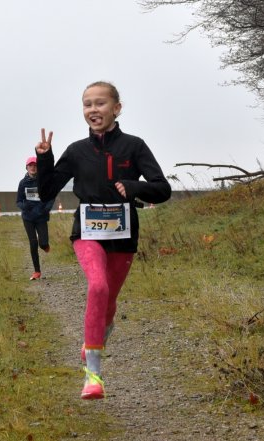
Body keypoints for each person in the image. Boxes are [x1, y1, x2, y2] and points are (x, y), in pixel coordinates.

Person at [35, 81, 171, 399]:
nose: (93, 110)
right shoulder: (76, 152)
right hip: (87, 232)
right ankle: (93, 376)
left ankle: (93, 340)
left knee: (108, 305)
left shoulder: (134, 146)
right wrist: (45, 160)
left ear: (116, 108)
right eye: (87, 104)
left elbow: (162, 188)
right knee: (97, 287)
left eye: (99, 103)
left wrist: (134, 187)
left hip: (123, 237)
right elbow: (45, 192)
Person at [16, 156, 54, 280]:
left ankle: (45, 245)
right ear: (27, 167)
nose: (33, 167)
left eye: (35, 165)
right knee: (33, 243)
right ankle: (37, 271)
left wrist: (45, 209)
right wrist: (25, 207)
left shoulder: (43, 181)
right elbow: (18, 201)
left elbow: (51, 197)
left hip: (41, 216)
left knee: (43, 243)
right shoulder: (23, 183)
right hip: (28, 217)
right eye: (30, 165)